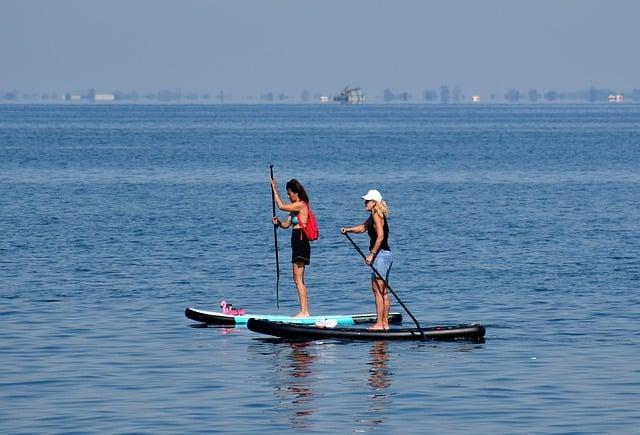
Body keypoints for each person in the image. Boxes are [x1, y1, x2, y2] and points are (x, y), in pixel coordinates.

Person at [341, 189, 392, 330]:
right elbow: (363, 228)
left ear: (374, 202)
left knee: (377, 291)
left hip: (380, 255)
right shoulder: (375, 215)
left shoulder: (376, 215)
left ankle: (380, 324)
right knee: (384, 292)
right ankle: (385, 324)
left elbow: (380, 236)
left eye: (368, 200)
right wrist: (349, 229)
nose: (365, 202)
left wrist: (372, 254)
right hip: (386, 255)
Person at [271, 178, 312, 317]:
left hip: (301, 242)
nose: (288, 196)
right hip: (296, 243)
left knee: (298, 279)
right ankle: (304, 311)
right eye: (287, 194)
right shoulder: (294, 208)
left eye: (289, 193)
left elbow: (281, 206)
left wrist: (274, 190)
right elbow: (287, 224)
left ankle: (304, 312)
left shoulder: (301, 205)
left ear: (296, 192)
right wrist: (278, 223)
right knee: (296, 278)